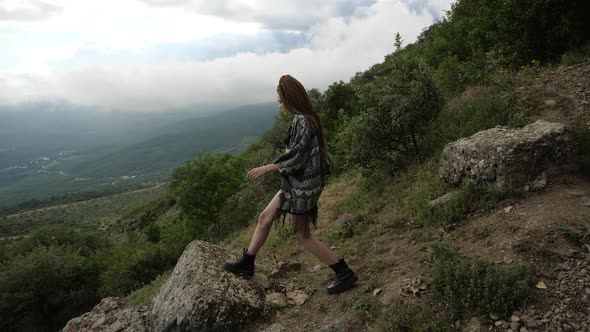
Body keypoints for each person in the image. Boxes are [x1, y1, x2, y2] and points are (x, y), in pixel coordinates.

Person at [223, 74, 358, 295]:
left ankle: (343, 272)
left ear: (289, 98)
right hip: (296, 184)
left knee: (302, 235)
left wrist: (268, 167)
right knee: (265, 217)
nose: (279, 106)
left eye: (280, 101)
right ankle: (247, 262)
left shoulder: (303, 120)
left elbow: (297, 156)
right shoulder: (305, 118)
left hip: (303, 188)